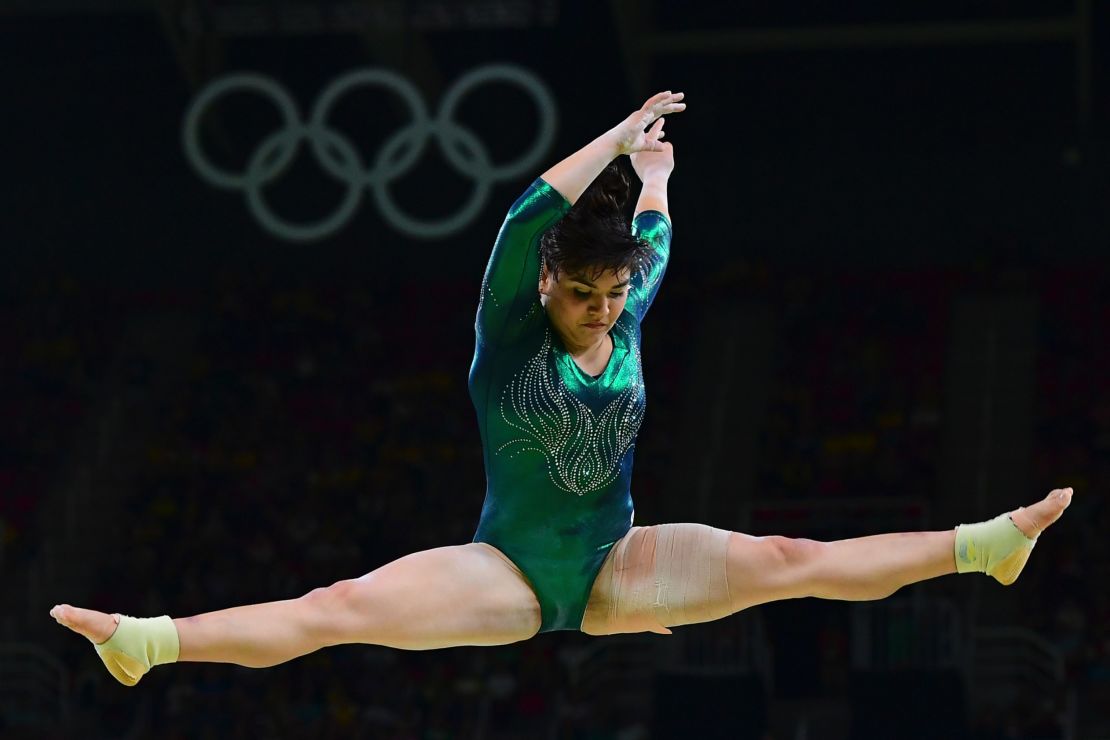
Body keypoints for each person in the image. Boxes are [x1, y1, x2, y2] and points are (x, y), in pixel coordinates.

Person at [51, 90, 1072, 685]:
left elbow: (658, 234)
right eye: (578, 290)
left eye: (608, 291)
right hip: (505, 571)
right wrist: (623, 138)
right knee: (340, 604)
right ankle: (150, 642)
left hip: (617, 560)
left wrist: (659, 175)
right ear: (547, 279)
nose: (596, 308)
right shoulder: (509, 323)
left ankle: (989, 546)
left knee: (788, 557)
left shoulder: (625, 300)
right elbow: (527, 207)